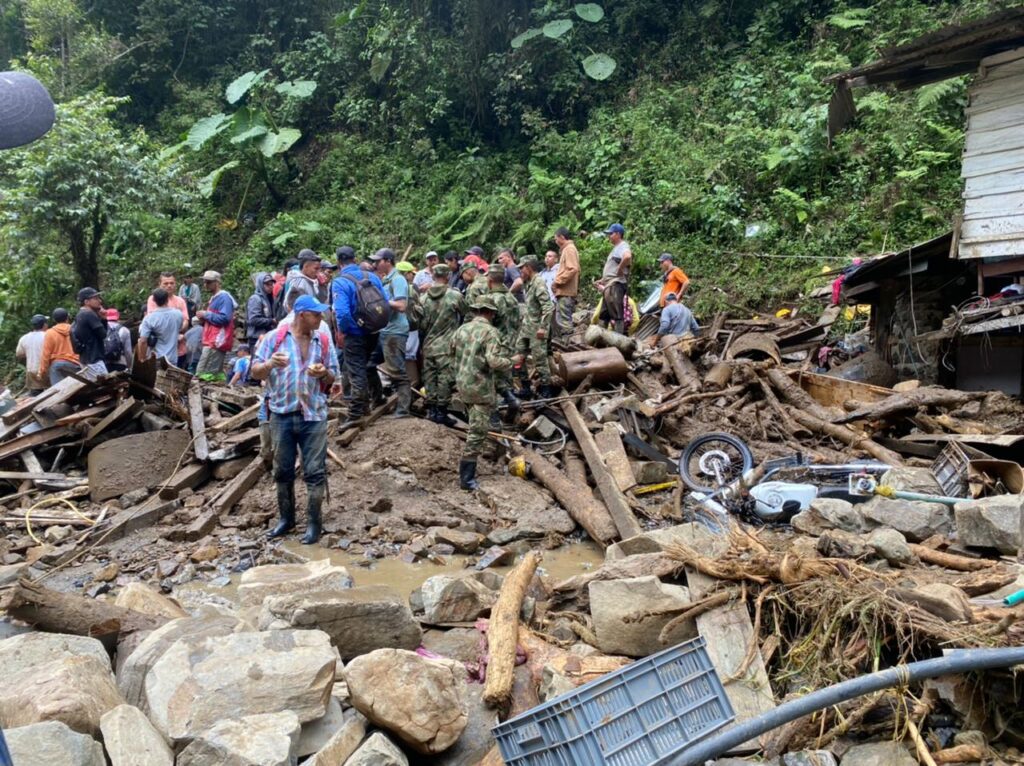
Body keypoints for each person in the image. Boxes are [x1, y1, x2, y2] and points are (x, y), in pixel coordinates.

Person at [251, 294, 339, 545]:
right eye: (316, 314)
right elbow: (254, 370)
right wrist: (270, 364)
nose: (321, 318)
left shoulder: (322, 340)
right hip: (281, 413)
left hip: (314, 414)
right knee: (282, 470)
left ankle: (314, 523)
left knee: (315, 470)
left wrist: (324, 373)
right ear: (302, 315)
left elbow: (334, 375)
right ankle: (286, 519)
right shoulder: (274, 338)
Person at [451, 294, 511, 490]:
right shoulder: (490, 333)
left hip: (462, 384)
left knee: (476, 425)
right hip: (480, 388)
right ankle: (466, 479)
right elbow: (493, 361)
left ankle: (481, 461)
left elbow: (451, 353)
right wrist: (512, 361)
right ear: (490, 313)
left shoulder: (461, 329)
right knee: (477, 432)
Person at [333, 246, 388, 425]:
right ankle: (376, 398)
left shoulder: (340, 282)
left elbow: (341, 313)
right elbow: (385, 302)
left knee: (355, 371)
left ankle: (356, 413)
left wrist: (350, 329)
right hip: (373, 331)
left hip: (355, 334)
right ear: (355, 259)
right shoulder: (371, 277)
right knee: (365, 366)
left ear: (338, 262)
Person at [419, 263, 464, 426]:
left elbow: (421, 326)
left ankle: (432, 411)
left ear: (433, 276)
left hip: (428, 345)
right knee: (445, 379)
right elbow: (466, 315)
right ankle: (442, 412)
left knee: (430, 378)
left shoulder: (423, 298)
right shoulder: (455, 296)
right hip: (447, 346)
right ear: (447, 276)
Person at [372, 248, 412, 418]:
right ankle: (379, 397)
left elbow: (402, 306)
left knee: (397, 372)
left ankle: (403, 409)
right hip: (384, 330)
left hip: (395, 331)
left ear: (387, 261)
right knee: (368, 365)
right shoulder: (385, 280)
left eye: (378, 261)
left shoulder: (398, 279)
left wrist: (381, 302)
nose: (375, 264)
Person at [515, 256, 556, 399]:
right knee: (518, 355)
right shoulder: (528, 283)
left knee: (540, 359)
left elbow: (548, 307)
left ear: (529, 267)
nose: (520, 271)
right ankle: (525, 386)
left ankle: (546, 390)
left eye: (522, 268)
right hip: (527, 327)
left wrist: (543, 328)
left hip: (537, 328)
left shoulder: (538, 283)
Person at [486, 263, 521, 420]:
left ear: (490, 280)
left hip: (496, 345)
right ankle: (512, 400)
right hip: (511, 343)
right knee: (505, 377)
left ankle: (494, 417)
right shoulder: (512, 298)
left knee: (490, 380)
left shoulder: (491, 300)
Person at [195, 270, 237, 381]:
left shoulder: (224, 298)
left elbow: (225, 318)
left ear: (217, 282)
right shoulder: (214, 298)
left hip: (216, 341)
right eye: (204, 282)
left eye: (208, 282)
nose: (205, 285)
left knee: (203, 373)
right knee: (213, 373)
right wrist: (203, 318)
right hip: (211, 339)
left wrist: (206, 314)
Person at [597, 223, 632, 335]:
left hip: (615, 284)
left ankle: (619, 341)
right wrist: (603, 279)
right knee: (604, 314)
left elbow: (627, 257)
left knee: (617, 314)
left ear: (618, 234)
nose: (609, 236)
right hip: (609, 285)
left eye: (611, 234)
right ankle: (599, 340)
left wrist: (620, 269)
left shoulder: (622, 245)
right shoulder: (616, 248)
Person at [147, 272, 189, 365]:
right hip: (159, 349)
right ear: (159, 284)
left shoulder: (180, 301)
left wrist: (177, 331)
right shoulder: (153, 299)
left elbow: (186, 320)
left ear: (175, 284)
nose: (169, 286)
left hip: (179, 347)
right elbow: (151, 321)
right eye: (166, 283)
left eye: (171, 283)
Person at [137, 288, 184, 365]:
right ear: (167, 299)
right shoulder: (178, 314)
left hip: (156, 358)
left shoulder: (149, 319)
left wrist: (142, 359)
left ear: (154, 300)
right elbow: (179, 328)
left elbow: (143, 341)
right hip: (173, 358)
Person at [552, 227, 580, 339]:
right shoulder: (568, 249)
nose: (555, 241)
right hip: (564, 292)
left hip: (566, 292)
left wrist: (557, 281)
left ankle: (568, 344)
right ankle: (566, 344)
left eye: (555, 239)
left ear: (562, 237)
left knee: (564, 322)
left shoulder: (569, 249)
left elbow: (573, 269)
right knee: (562, 320)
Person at [39, 308, 79, 385]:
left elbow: (46, 354)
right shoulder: (75, 329)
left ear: (54, 320)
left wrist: (42, 371)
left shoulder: (50, 333)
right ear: (67, 318)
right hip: (76, 364)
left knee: (58, 391)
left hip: (57, 365)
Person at [71, 287, 108, 367]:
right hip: (94, 360)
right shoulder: (89, 314)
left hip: (85, 359)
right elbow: (103, 334)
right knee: (104, 380)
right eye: (95, 298)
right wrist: (104, 319)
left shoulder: (80, 314)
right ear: (86, 302)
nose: (100, 301)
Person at [16, 314, 48, 394]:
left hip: (31, 369)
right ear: (44, 325)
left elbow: (19, 354)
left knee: (36, 393)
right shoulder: (48, 336)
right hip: (46, 369)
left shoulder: (24, 338)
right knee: (52, 391)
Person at [246, 272, 276, 350]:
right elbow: (253, 319)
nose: (270, 287)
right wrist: (271, 321)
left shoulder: (270, 299)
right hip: (256, 337)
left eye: (271, 284)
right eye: (267, 284)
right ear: (260, 285)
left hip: (267, 336)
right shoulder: (255, 299)